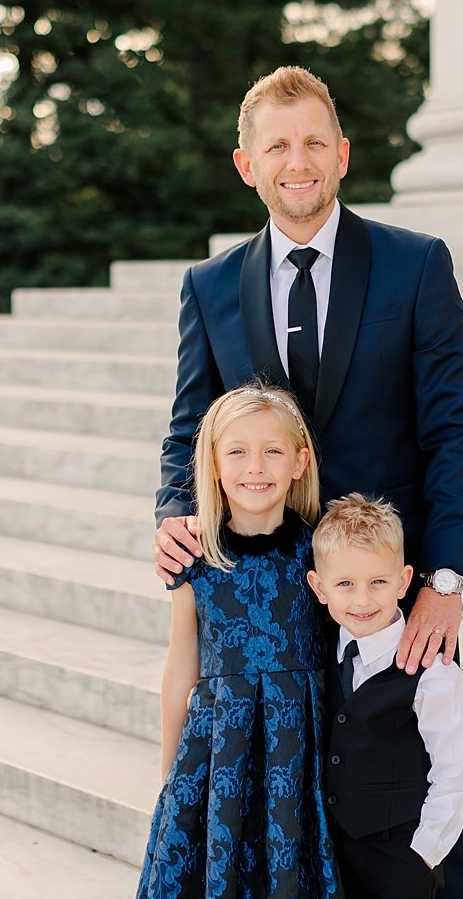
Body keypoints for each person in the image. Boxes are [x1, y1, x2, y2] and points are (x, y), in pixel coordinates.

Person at [150, 65, 463, 897]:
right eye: (276, 147)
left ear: (341, 154)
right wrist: (172, 510)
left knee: (405, 799)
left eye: (311, 143)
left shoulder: (416, 267)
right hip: (264, 580)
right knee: (287, 800)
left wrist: (444, 580)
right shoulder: (211, 285)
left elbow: (454, 428)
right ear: (247, 164)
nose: (295, 161)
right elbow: (191, 422)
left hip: (381, 583)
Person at [138, 385, 339, 899]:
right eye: (237, 452)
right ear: (212, 464)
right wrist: (171, 775)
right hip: (215, 751)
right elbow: (180, 665)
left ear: (300, 461)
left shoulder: (320, 551)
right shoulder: (194, 558)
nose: (255, 467)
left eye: (272, 451)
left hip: (299, 752)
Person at [305, 494, 463, 899]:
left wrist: (423, 856)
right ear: (319, 587)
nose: (362, 600)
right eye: (345, 584)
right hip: (337, 860)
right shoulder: (322, 653)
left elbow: (453, 776)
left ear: (403, 581)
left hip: (402, 864)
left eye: (377, 582)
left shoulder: (433, 672)